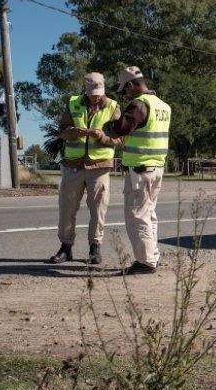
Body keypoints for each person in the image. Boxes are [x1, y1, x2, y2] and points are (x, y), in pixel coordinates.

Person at [103, 66, 172, 275]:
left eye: (125, 89)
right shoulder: (163, 106)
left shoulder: (139, 105)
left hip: (140, 170)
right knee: (149, 214)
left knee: (137, 215)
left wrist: (109, 125)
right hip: (156, 168)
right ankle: (152, 256)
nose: (125, 93)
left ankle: (145, 261)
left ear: (131, 85)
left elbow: (120, 129)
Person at [48, 72, 121, 265]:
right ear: (86, 90)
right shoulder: (73, 103)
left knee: (98, 210)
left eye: (98, 92)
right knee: (66, 208)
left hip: (100, 167)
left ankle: (94, 248)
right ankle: (66, 247)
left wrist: (101, 137)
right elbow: (62, 131)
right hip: (73, 165)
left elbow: (120, 138)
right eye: (92, 93)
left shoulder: (113, 106)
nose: (96, 96)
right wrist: (75, 132)